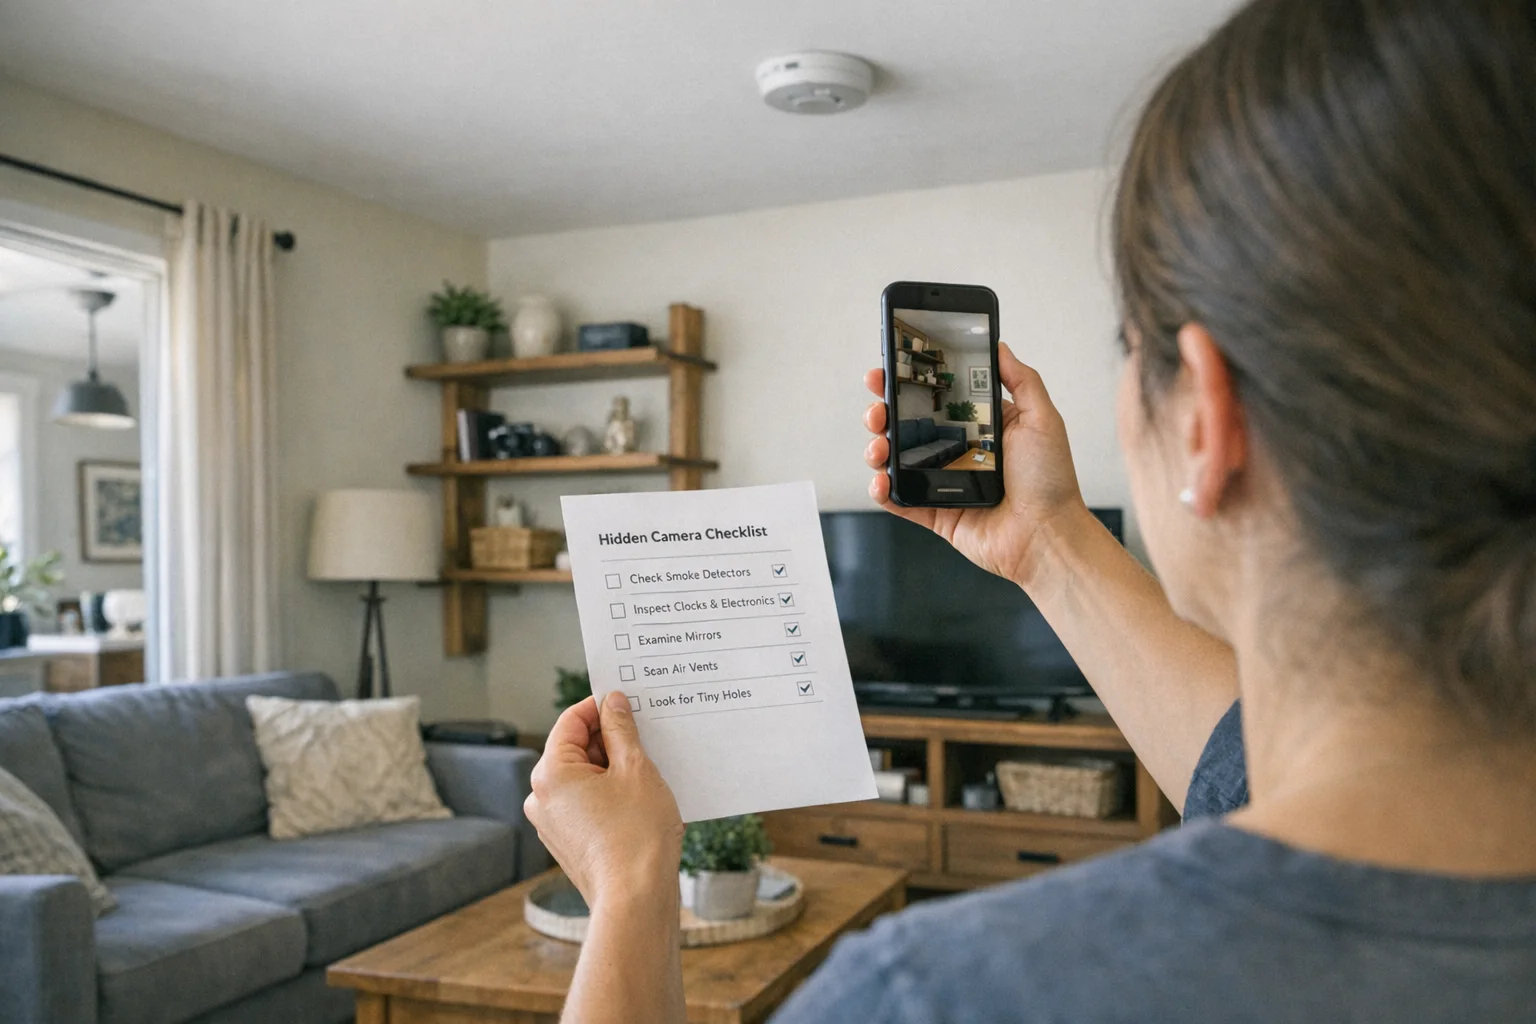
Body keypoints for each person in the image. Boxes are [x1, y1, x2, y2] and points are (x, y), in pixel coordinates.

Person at [524, 0, 1536, 1019]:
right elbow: (1246, 769)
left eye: (1126, 352)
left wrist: (634, 885)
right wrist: (1048, 540)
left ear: (1207, 420)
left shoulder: (937, 994)